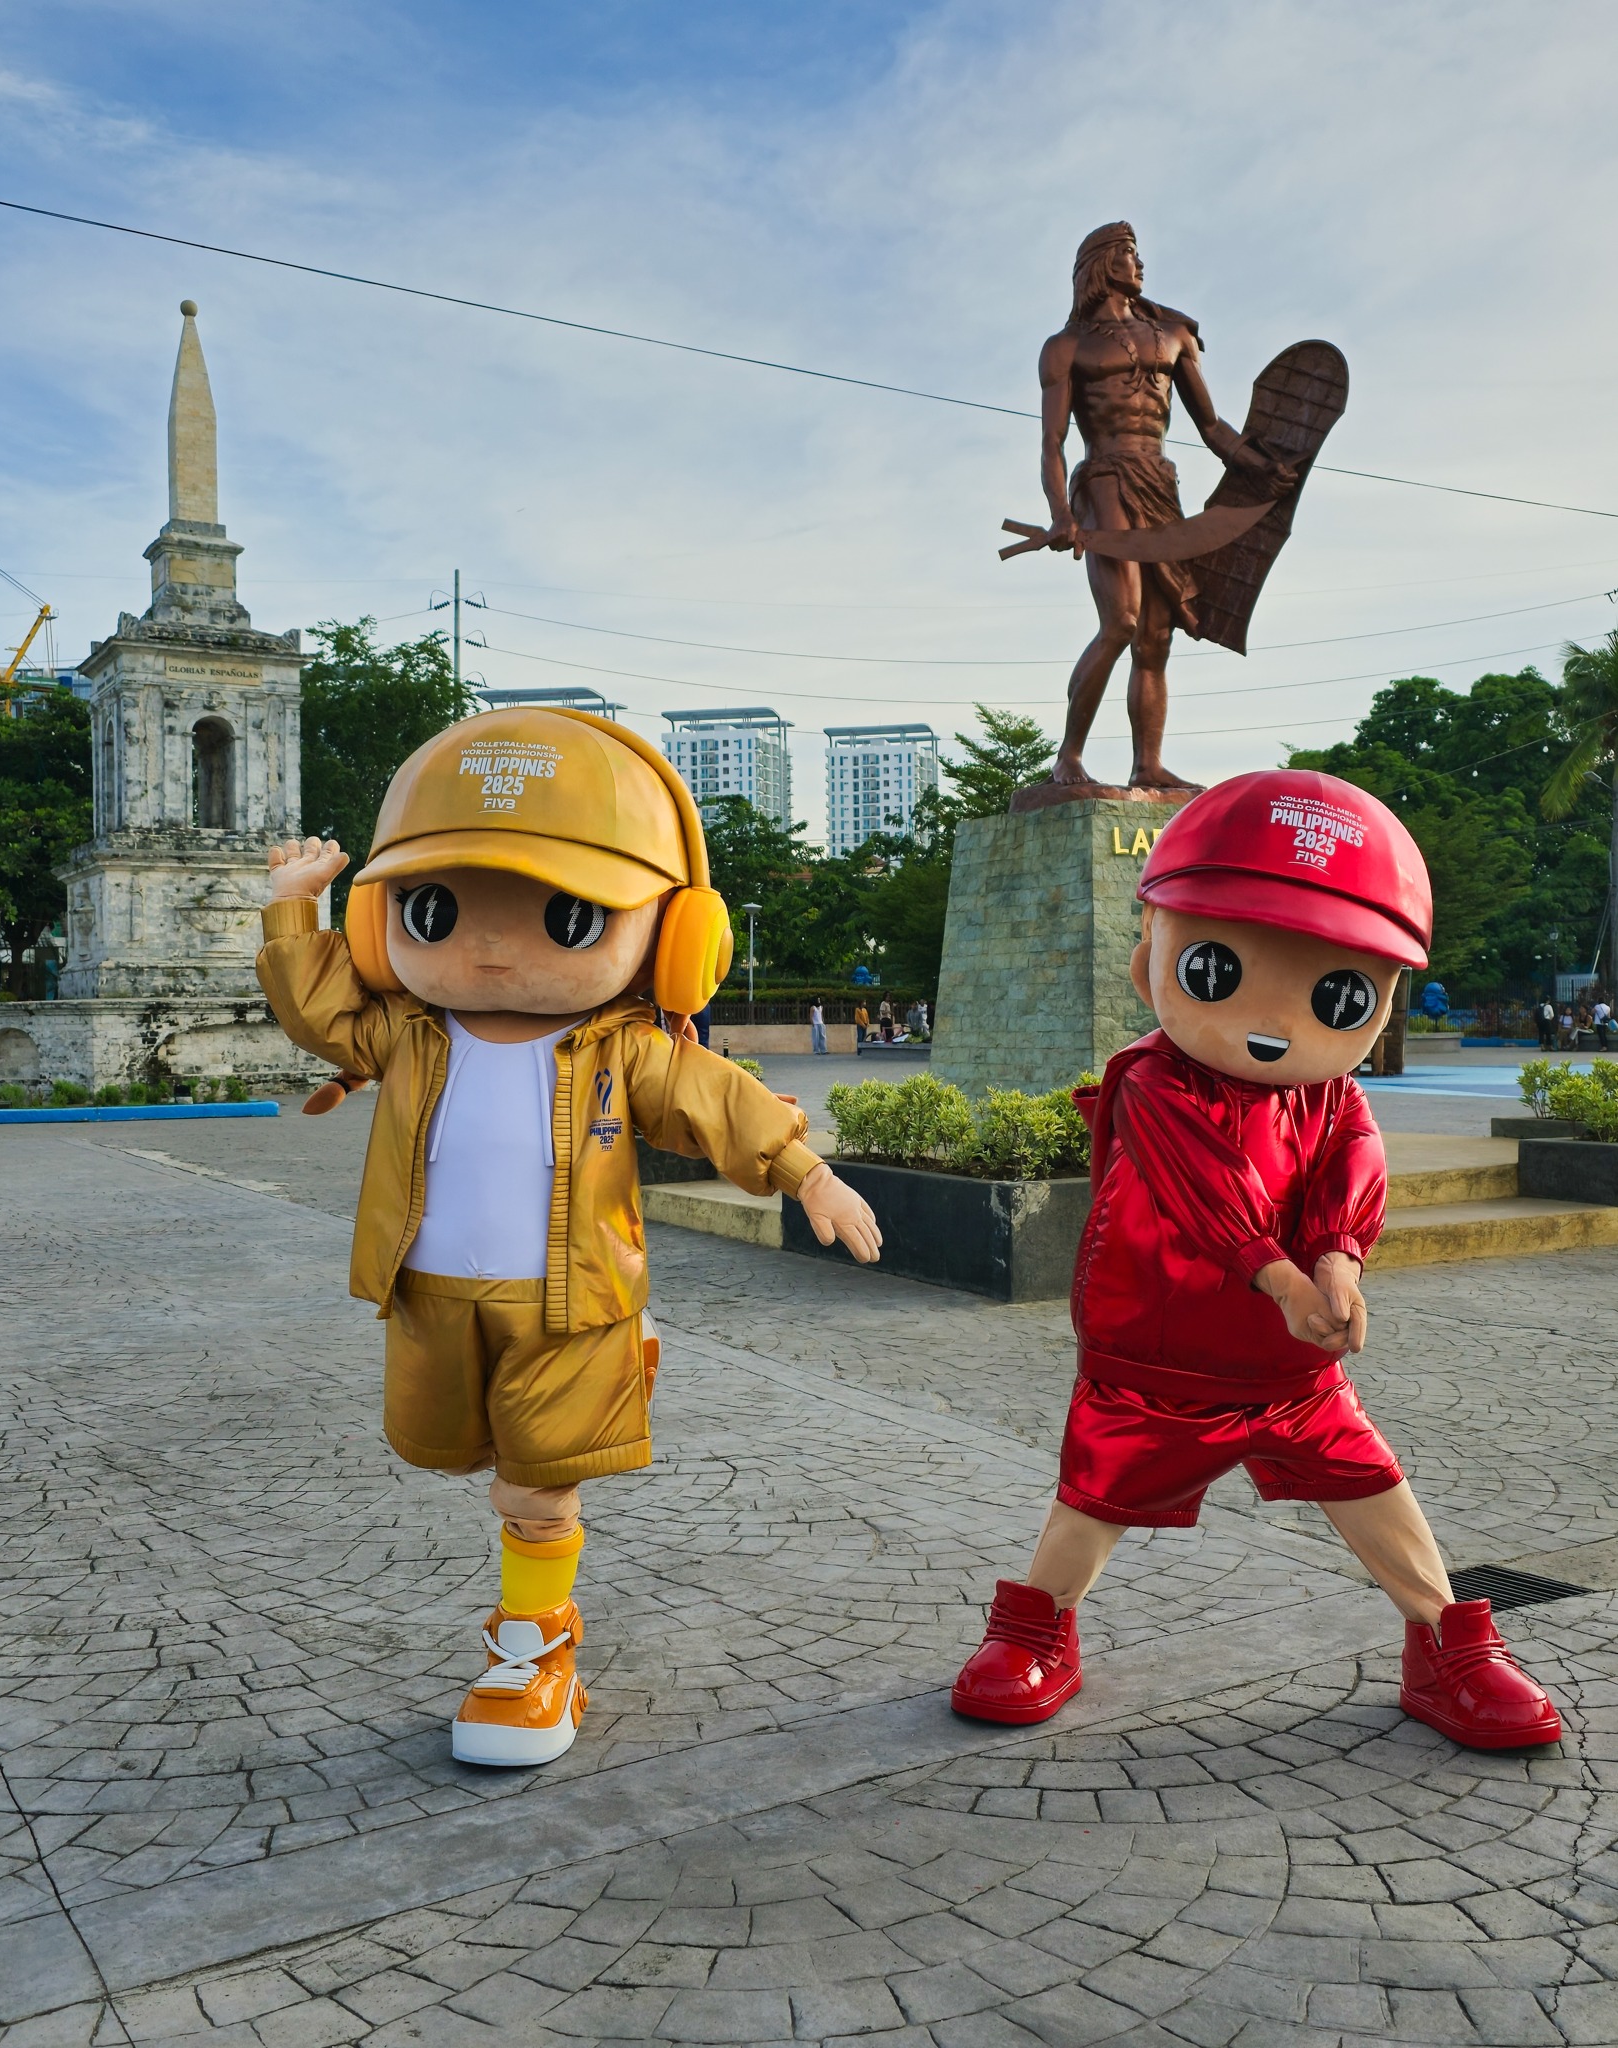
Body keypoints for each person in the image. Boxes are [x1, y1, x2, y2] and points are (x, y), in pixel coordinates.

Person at [258, 708, 881, 1769]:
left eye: (568, 915)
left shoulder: (621, 1047)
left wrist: (801, 1169)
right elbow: (321, 1013)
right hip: (428, 1294)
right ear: (379, 920)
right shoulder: (405, 1031)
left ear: (676, 940)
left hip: (574, 1302)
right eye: (437, 908)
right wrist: (291, 910)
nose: (491, 945)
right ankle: (534, 1629)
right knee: (459, 1454)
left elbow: (711, 1096)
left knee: (535, 1486)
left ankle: (534, 1648)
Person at [950, 769, 1562, 1752]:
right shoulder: (1153, 1080)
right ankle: (1037, 1628)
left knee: (1371, 1484)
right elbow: (1204, 1187)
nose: (1275, 1026)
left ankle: (1445, 1642)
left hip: (1289, 1366)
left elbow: (1350, 1166)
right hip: (1159, 1354)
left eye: (1339, 995)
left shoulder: (1332, 1095)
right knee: (1095, 1495)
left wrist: (1340, 1260)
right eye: (1214, 970)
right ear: (1150, 948)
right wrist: (1280, 1275)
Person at [1038, 222, 1296, 790]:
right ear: (1104, 263)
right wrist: (1061, 513)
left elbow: (1213, 428)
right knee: (1121, 621)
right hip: (1104, 479)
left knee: (1156, 635)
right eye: (1130, 254)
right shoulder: (1067, 346)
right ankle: (1068, 757)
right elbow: (1052, 442)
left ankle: (1147, 764)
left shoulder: (1174, 335)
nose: (1140, 264)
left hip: (1160, 482)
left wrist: (1260, 469)